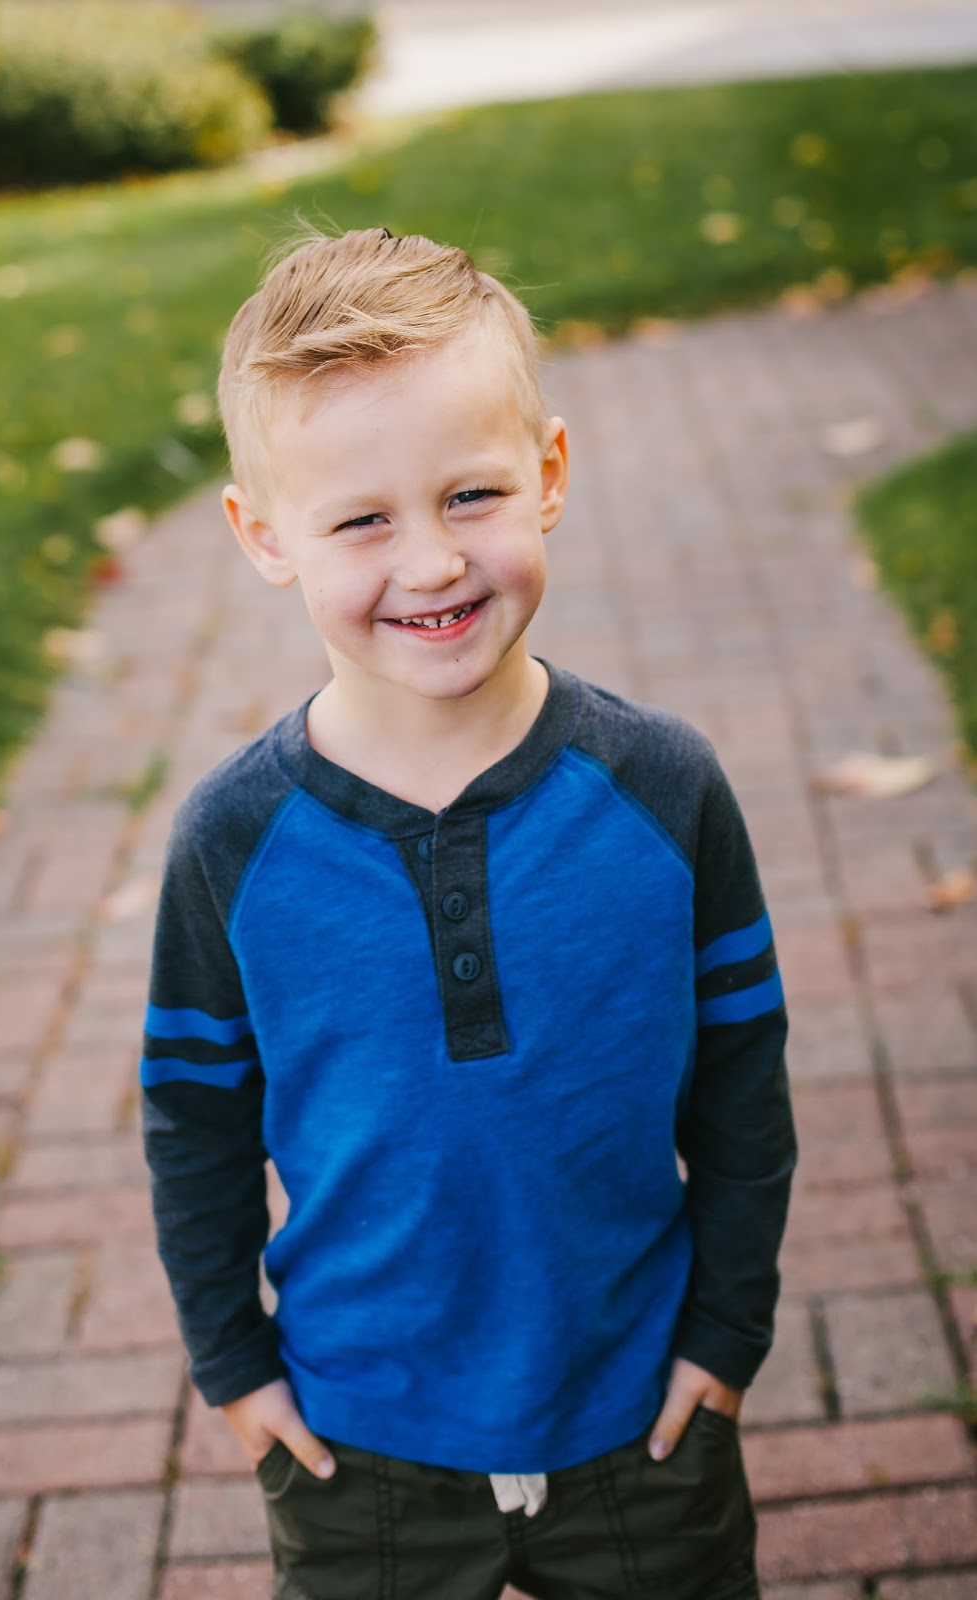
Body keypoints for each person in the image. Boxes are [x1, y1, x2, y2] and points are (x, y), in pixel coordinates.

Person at [140, 226, 795, 1600]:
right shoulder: (232, 841)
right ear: (264, 537)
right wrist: (235, 1369)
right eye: (363, 520)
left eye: (472, 494)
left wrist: (726, 1336)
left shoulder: (664, 790)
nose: (433, 561)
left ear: (548, 474)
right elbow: (196, 1125)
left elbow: (743, 1082)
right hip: (357, 1444)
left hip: (640, 1418)